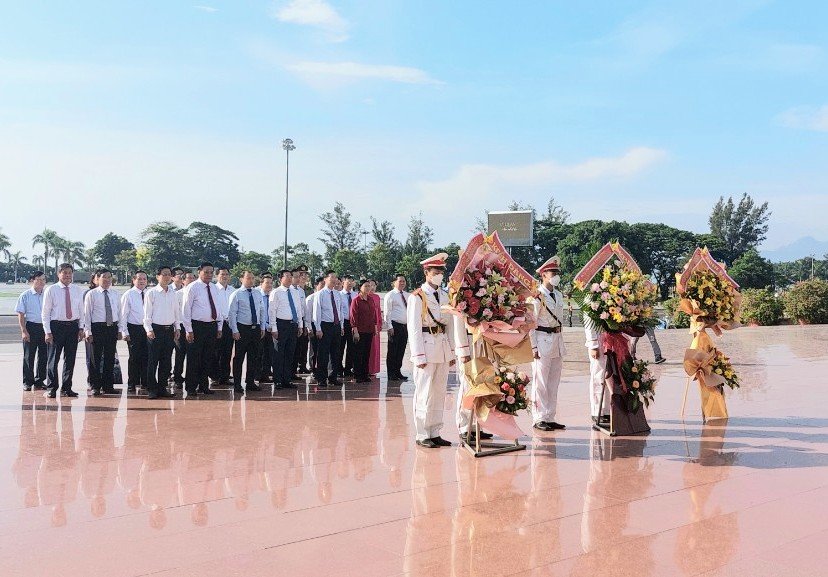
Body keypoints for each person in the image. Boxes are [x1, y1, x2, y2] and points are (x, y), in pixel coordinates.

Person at [407, 253, 456, 448]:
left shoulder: (445, 295)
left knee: (438, 392)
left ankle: (435, 431)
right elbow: (414, 328)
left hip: (442, 347)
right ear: (426, 273)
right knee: (424, 392)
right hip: (426, 348)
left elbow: (449, 325)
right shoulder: (417, 297)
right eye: (435, 272)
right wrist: (418, 355)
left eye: (441, 273)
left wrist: (452, 352)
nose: (439, 276)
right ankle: (422, 433)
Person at [529, 256, 567, 431]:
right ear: (543, 274)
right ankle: (539, 417)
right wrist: (533, 347)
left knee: (553, 381)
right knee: (541, 382)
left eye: (557, 272)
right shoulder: (536, 297)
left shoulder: (558, 294)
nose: (556, 275)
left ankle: (550, 416)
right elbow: (530, 324)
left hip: (557, 341)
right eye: (553, 272)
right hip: (542, 340)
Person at [41, 263, 86, 398]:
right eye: (64, 272)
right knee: (53, 359)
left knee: (70, 359)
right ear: (58, 274)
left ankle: (67, 388)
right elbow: (45, 313)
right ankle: (52, 388)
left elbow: (81, 311)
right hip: (56, 327)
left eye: (69, 273)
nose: (67, 275)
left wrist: (81, 328)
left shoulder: (78, 290)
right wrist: (47, 331)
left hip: (73, 327)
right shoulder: (51, 290)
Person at [182, 262, 223, 397]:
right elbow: (186, 310)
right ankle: (191, 387)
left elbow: (218, 307)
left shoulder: (214, 288)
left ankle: (203, 385)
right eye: (206, 272)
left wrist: (219, 326)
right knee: (194, 359)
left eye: (211, 272)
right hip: (196, 327)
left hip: (211, 326)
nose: (209, 274)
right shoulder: (192, 287)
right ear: (199, 271)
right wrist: (188, 330)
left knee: (207, 358)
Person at [83, 269, 122, 396]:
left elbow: (119, 312)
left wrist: (120, 329)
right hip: (97, 328)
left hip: (111, 328)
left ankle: (108, 385)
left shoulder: (115, 294)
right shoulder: (92, 294)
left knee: (110, 358)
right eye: (104, 277)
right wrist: (88, 331)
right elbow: (87, 314)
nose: (107, 280)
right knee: (95, 358)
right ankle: (95, 386)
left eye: (109, 277)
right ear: (98, 279)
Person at [144, 265, 180, 399]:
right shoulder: (151, 293)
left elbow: (177, 312)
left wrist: (177, 328)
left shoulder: (173, 293)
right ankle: (152, 389)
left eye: (169, 274)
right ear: (158, 276)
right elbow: (147, 314)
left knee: (166, 361)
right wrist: (149, 330)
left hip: (169, 330)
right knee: (153, 361)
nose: (166, 277)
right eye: (163, 274)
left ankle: (162, 387)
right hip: (155, 330)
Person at [228, 270, 265, 395]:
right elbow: (232, 314)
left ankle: (250, 382)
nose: (251, 280)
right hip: (242, 329)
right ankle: (237, 384)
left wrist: (262, 327)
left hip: (255, 328)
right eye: (248, 278)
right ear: (241, 279)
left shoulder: (257, 293)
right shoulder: (237, 294)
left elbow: (261, 311)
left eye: (252, 278)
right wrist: (235, 330)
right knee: (239, 357)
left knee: (253, 357)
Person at [269, 270, 303, 389]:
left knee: (290, 354)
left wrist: (300, 325)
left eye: (291, 276)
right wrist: (274, 328)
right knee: (279, 353)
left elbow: (298, 309)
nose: (290, 278)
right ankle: (277, 380)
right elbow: (272, 311)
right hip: (280, 325)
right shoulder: (276, 292)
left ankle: (287, 379)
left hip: (293, 325)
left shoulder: (295, 292)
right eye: (287, 276)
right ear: (280, 279)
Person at [312, 271, 345, 387]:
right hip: (325, 326)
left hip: (336, 326)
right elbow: (317, 312)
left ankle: (333, 377)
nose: (334, 280)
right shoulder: (320, 294)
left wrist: (341, 326)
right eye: (332, 277)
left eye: (335, 277)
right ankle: (321, 378)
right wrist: (318, 328)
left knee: (335, 353)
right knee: (323, 353)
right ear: (325, 279)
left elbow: (340, 310)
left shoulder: (337, 294)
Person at [17, 271, 48, 391]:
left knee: (44, 356)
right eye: (38, 279)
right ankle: (28, 382)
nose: (41, 282)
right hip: (31, 327)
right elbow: (20, 314)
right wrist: (24, 331)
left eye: (43, 280)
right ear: (32, 280)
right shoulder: (25, 295)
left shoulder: (47, 294)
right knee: (29, 356)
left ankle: (40, 380)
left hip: (45, 328)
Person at [120, 270, 149, 394]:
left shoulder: (149, 293)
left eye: (144, 279)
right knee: (134, 357)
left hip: (148, 329)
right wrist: (124, 331)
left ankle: (146, 382)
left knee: (147, 356)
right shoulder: (129, 294)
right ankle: (132, 383)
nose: (142, 281)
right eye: (139, 279)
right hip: (134, 329)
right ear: (134, 280)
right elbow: (123, 315)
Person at [383, 273, 410, 381]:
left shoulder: (407, 295)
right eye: (400, 281)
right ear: (394, 282)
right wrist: (389, 326)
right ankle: (391, 373)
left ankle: (398, 371)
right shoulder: (390, 295)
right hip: (394, 325)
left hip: (405, 326)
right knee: (392, 351)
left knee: (401, 350)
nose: (402, 283)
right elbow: (387, 312)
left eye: (404, 281)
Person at [349, 279, 377, 383]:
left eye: (369, 286)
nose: (368, 288)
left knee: (366, 354)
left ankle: (365, 374)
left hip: (369, 330)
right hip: (359, 330)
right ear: (360, 287)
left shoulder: (370, 299)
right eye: (365, 286)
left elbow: (373, 314)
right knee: (358, 354)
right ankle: (357, 375)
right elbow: (353, 317)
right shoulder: (356, 300)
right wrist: (355, 331)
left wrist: (374, 327)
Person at [585, 311, 610, 425]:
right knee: (598, 375)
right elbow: (588, 317)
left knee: (610, 376)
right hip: (598, 338)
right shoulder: (591, 295)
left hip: (611, 337)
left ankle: (607, 410)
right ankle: (596, 411)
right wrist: (592, 344)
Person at [211, 267, 234, 387]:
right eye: (222, 274)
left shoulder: (232, 290)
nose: (224, 276)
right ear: (216, 276)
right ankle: (215, 376)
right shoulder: (213, 289)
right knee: (216, 352)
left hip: (229, 324)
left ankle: (225, 376)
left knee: (227, 351)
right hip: (216, 324)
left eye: (226, 274)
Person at [171, 269, 193, 389]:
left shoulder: (196, 293)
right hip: (181, 327)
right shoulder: (178, 294)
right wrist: (177, 328)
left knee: (193, 354)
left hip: (193, 328)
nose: (191, 280)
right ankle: (177, 377)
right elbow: (175, 312)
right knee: (180, 353)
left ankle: (191, 377)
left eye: (192, 278)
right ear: (183, 280)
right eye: (188, 278)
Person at [291, 265, 311, 377]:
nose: (301, 277)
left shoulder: (302, 290)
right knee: (292, 348)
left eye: (304, 275)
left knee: (300, 346)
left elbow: (304, 308)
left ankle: (296, 369)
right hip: (291, 321)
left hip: (301, 321)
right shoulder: (288, 290)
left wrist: (305, 325)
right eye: (299, 275)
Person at [256, 273, 274, 383]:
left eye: (271, 283)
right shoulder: (257, 295)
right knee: (258, 353)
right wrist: (265, 325)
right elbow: (258, 313)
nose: (269, 285)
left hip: (271, 329)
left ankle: (265, 374)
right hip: (261, 328)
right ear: (261, 283)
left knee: (269, 352)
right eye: (267, 283)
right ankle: (257, 374)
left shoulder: (273, 295)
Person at [339, 275, 358, 378]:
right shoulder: (339, 295)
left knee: (352, 348)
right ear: (343, 283)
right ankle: (338, 368)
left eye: (351, 282)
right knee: (340, 347)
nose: (350, 284)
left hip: (353, 324)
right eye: (348, 282)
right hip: (343, 323)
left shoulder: (356, 295)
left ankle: (348, 369)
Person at [305, 277, 324, 378]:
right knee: (314, 348)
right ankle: (313, 368)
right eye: (321, 284)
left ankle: (321, 368)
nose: (323, 286)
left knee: (322, 349)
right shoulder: (310, 298)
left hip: (323, 325)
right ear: (316, 285)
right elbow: (308, 315)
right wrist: (309, 328)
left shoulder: (325, 297)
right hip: (313, 325)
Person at [367, 280, 382, 376]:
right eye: (369, 285)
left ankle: (373, 369)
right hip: (367, 327)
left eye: (373, 285)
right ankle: (366, 369)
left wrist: (379, 324)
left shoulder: (377, 297)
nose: (372, 287)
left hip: (376, 327)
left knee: (375, 349)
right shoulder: (363, 297)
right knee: (368, 348)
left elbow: (379, 311)